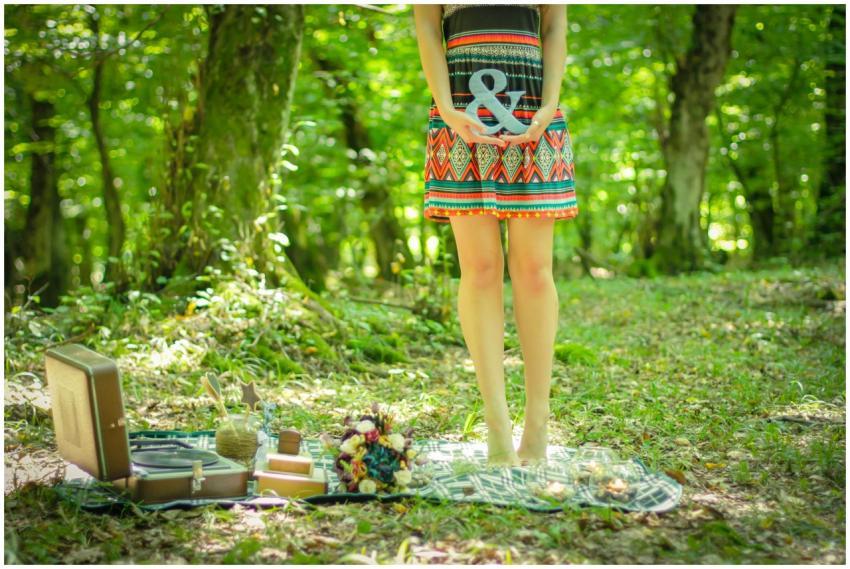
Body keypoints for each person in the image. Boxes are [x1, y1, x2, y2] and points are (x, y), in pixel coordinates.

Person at [413, 4, 578, 467]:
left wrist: (549, 104)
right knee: (481, 271)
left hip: (533, 114)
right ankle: (497, 427)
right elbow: (426, 22)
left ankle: (539, 425)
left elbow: (555, 23)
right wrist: (445, 107)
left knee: (533, 271)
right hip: (461, 115)